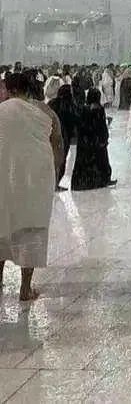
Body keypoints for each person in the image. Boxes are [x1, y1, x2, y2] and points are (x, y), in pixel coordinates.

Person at [0, 72, 58, 301]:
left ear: (9, 89)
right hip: (33, 183)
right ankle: (25, 288)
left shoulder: (1, 111)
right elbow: (56, 142)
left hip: (4, 182)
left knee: (1, 230)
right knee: (31, 234)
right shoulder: (44, 113)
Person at [71, 89, 116, 190]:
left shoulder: (83, 109)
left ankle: (83, 182)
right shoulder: (99, 109)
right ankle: (102, 180)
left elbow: (80, 126)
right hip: (97, 141)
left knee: (84, 162)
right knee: (101, 161)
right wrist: (104, 139)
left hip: (85, 142)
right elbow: (102, 127)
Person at [48, 84, 79, 188]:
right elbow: (75, 119)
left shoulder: (52, 103)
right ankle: (56, 184)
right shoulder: (70, 104)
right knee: (61, 160)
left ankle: (51, 183)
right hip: (64, 136)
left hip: (50, 134)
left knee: (51, 159)